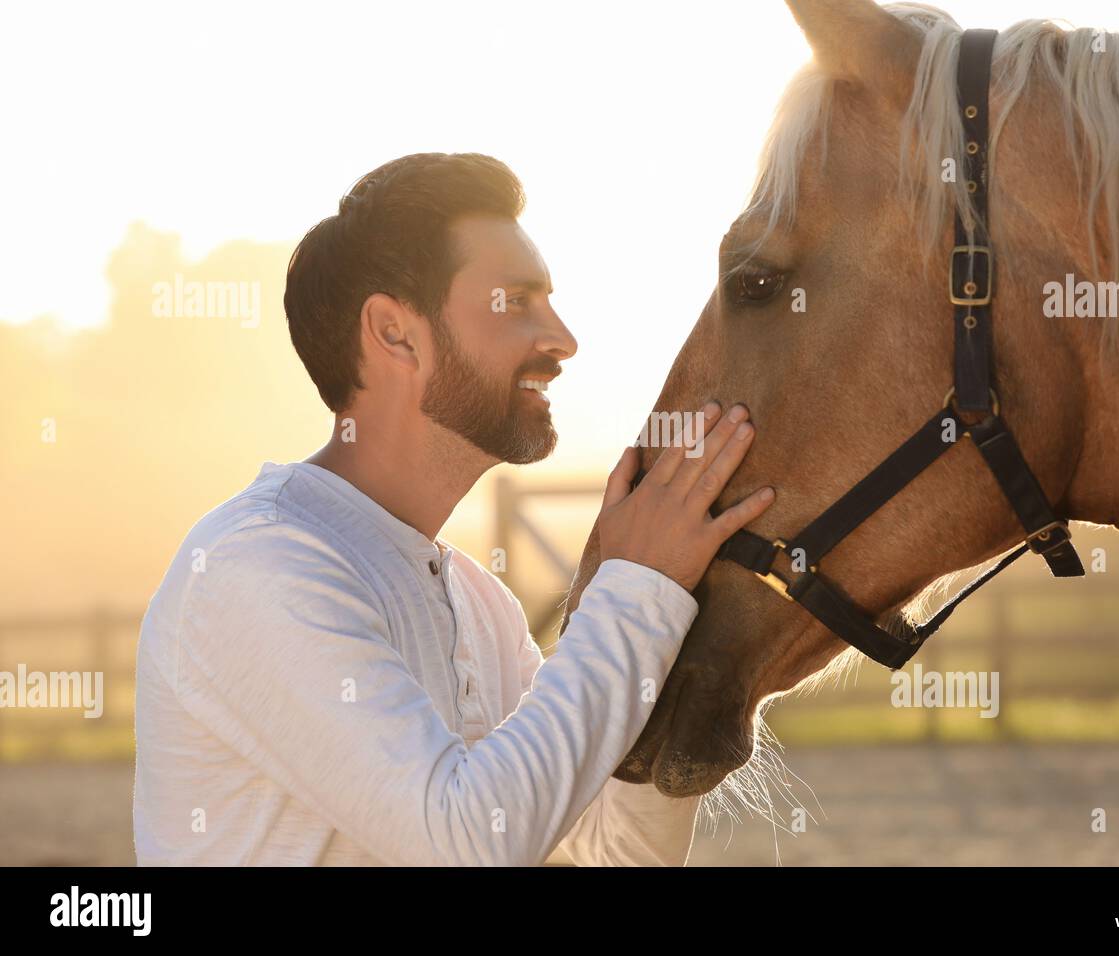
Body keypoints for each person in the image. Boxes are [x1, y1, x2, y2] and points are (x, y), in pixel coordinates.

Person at [132, 152, 774, 865]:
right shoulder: (254, 567)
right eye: (518, 302)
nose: (562, 339)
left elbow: (614, 854)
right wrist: (635, 589)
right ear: (395, 333)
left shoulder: (481, 604)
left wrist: (681, 643)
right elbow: (463, 842)